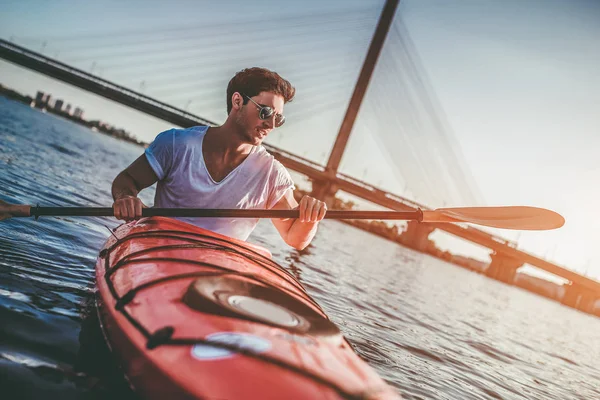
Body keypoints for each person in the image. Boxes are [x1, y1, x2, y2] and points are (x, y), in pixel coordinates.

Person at [111, 67, 326, 250]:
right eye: (265, 112)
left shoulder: (272, 173)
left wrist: (310, 218)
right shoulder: (176, 144)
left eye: (278, 118)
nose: (270, 125)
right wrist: (126, 197)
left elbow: (294, 237)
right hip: (161, 250)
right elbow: (127, 181)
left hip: (218, 266)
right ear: (237, 100)